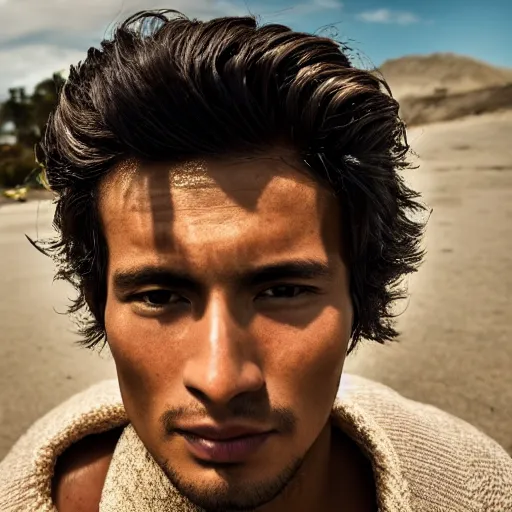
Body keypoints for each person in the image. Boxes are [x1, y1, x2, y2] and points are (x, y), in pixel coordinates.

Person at [1, 9, 511, 512]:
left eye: (284, 291)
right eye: (159, 297)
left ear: (361, 296)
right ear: (101, 304)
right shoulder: (26, 491)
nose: (221, 381)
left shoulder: (478, 485)